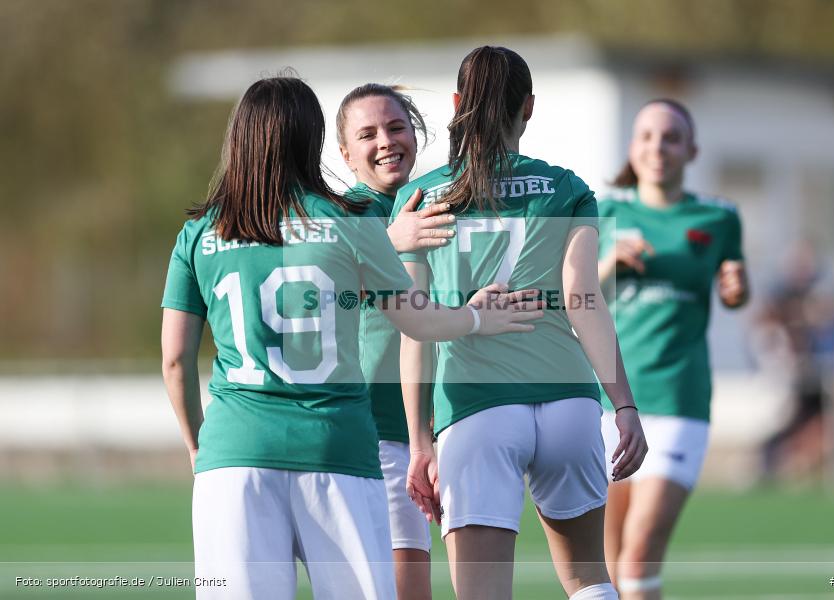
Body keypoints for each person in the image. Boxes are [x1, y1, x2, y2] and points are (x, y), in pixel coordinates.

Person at [160, 75, 543, 600]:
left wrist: (198, 446)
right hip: (337, 446)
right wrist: (475, 318)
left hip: (234, 451)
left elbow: (176, 362)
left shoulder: (200, 232)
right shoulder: (345, 221)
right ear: (318, 140)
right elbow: (418, 320)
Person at [393, 46, 647, 600]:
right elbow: (584, 298)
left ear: (458, 104)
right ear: (528, 107)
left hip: (476, 408)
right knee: (589, 583)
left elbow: (415, 328)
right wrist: (623, 405)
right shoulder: (566, 188)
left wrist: (418, 441)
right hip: (569, 404)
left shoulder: (423, 197)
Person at [597, 99, 750, 599]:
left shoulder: (719, 217)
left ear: (692, 150)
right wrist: (608, 263)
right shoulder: (604, 212)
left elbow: (734, 288)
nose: (657, 147)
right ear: (632, 147)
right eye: (646, 136)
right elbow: (572, 299)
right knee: (606, 564)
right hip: (607, 402)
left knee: (639, 556)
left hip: (678, 399)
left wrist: (736, 289)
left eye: (670, 137)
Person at [336, 83, 455, 600]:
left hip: (434, 432)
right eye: (367, 134)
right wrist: (389, 244)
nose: (385, 141)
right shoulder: (339, 214)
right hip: (371, 433)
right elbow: (314, 294)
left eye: (395, 127)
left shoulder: (433, 200)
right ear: (345, 153)